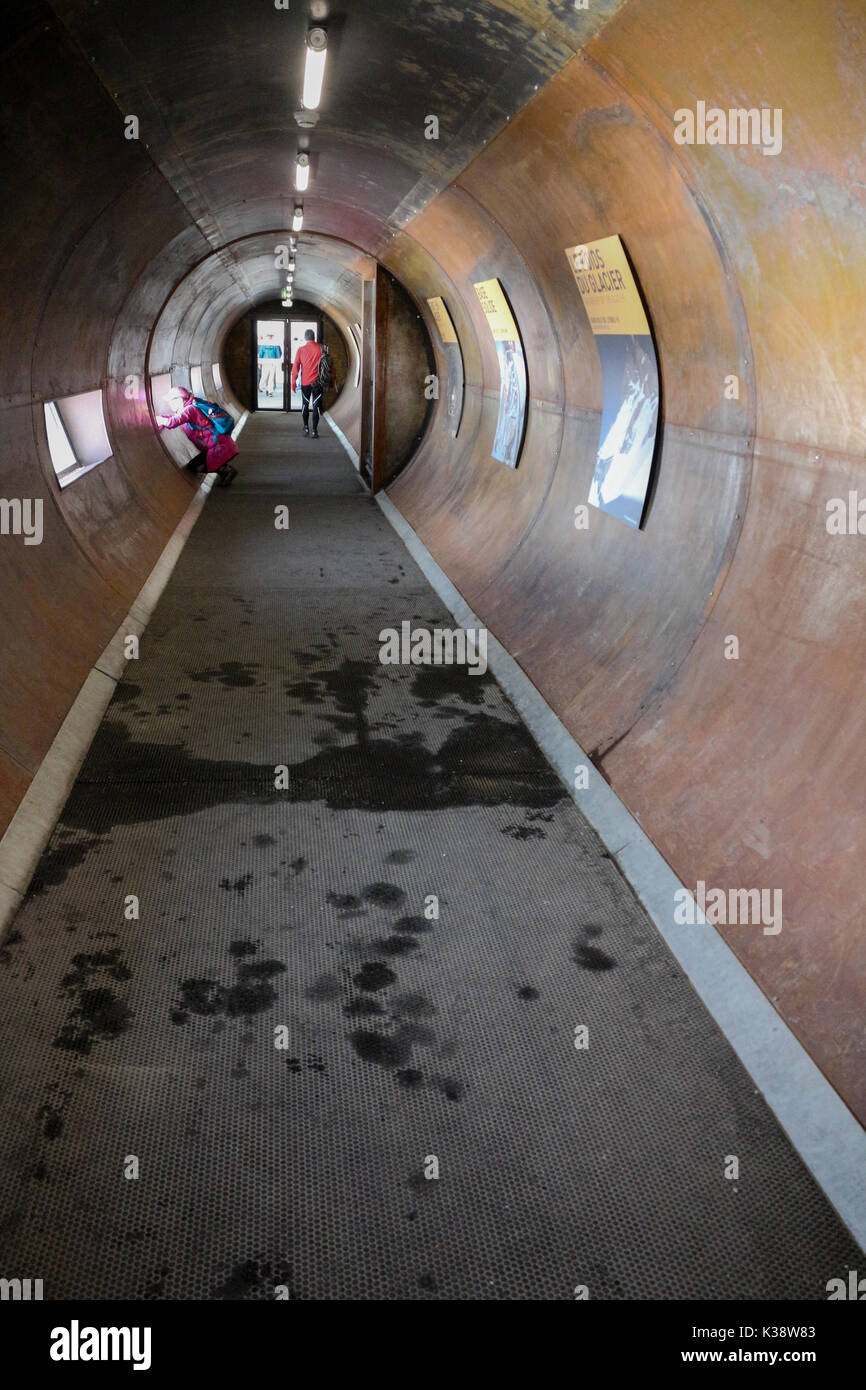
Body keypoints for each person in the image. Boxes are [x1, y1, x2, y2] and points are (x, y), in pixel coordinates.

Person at [155, 387, 238, 486]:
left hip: (219, 447)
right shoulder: (192, 405)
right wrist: (162, 418)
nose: (169, 404)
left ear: (179, 399)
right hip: (221, 445)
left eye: (170, 401)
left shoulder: (189, 409)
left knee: (195, 467)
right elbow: (175, 417)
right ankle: (224, 470)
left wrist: (156, 419)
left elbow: (172, 422)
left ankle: (226, 470)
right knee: (193, 466)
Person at [290, 329, 334, 438]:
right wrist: (332, 380)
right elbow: (329, 366)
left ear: (305, 338)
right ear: (314, 337)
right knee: (316, 406)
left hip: (305, 383)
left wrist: (293, 382)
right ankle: (314, 431)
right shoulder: (322, 349)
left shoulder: (301, 350)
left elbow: (295, 367)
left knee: (305, 404)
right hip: (318, 383)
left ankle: (306, 428)